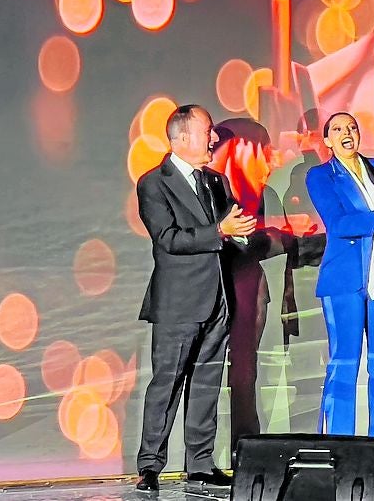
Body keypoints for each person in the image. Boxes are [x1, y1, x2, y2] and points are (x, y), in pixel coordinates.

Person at [134, 105, 256, 492]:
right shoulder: (154, 183)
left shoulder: (215, 182)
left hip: (216, 298)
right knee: (167, 384)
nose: (214, 139)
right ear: (183, 137)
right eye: (208, 132)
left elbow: (226, 231)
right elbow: (167, 239)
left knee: (206, 384)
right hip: (178, 302)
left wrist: (240, 234)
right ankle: (150, 465)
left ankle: (200, 463)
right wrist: (220, 230)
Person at [305, 112, 374, 439]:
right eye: (337, 129)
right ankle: (337, 446)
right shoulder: (321, 175)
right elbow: (339, 225)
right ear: (327, 140)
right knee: (344, 364)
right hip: (345, 279)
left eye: (351, 127)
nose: (346, 133)